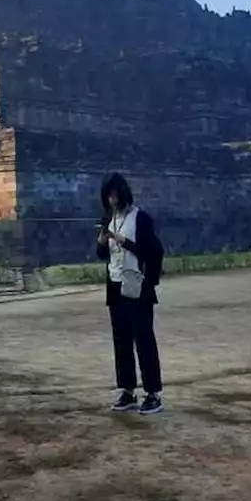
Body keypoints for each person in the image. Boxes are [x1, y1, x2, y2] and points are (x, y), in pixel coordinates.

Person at [96, 172, 166, 415]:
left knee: (143, 340)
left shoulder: (140, 219)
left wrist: (122, 240)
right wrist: (103, 241)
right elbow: (101, 254)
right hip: (115, 285)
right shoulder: (108, 219)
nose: (112, 200)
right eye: (108, 196)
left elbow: (154, 252)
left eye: (114, 195)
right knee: (121, 340)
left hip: (137, 286)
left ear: (122, 194)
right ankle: (127, 389)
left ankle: (153, 392)